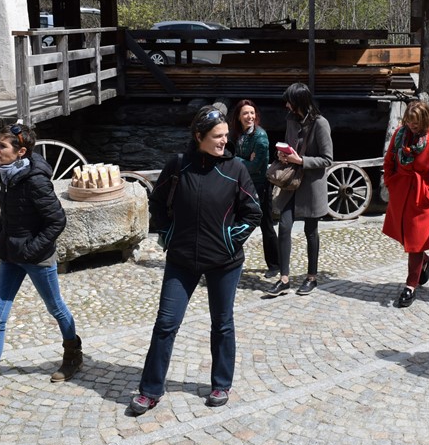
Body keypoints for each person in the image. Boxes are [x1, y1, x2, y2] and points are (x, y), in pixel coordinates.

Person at [130, 106, 261, 414]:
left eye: (226, 135)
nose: (224, 141)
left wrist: (229, 239)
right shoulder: (178, 165)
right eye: (217, 136)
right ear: (199, 136)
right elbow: (157, 202)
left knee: (222, 323)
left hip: (224, 262)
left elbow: (253, 212)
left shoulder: (236, 169)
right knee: (166, 324)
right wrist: (168, 233)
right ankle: (150, 390)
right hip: (182, 259)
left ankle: (221, 384)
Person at [0, 123, 80, 407]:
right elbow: (8, 214)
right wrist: (2, 237)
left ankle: (73, 354)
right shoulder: (6, 173)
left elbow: (57, 220)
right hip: (11, 255)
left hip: (37, 258)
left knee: (56, 307)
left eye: (2, 146)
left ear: (21, 152)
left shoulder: (35, 181)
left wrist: (31, 250)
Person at [264, 82, 333, 297]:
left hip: (311, 186)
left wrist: (301, 160)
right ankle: (284, 279)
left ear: (299, 102)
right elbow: (289, 144)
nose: (286, 105)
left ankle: (311, 277)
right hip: (291, 184)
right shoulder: (291, 120)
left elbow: (327, 159)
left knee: (310, 232)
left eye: (289, 101)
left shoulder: (320, 123)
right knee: (284, 227)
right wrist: (283, 155)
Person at [382, 100, 429, 308]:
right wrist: (390, 182)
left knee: (416, 242)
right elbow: (390, 159)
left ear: (425, 120)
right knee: (407, 238)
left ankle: (410, 285)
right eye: (409, 121)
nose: (412, 125)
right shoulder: (400, 134)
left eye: (416, 122)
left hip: (422, 198)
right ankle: (426, 261)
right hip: (402, 192)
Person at [229, 99, 279, 279]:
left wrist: (237, 160)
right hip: (242, 184)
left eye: (252, 113)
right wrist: (242, 160)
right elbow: (232, 155)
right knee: (235, 220)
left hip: (260, 185)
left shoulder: (260, 137)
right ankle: (230, 258)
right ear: (239, 116)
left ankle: (275, 264)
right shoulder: (238, 134)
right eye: (245, 113)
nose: (249, 116)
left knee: (266, 225)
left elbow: (257, 166)